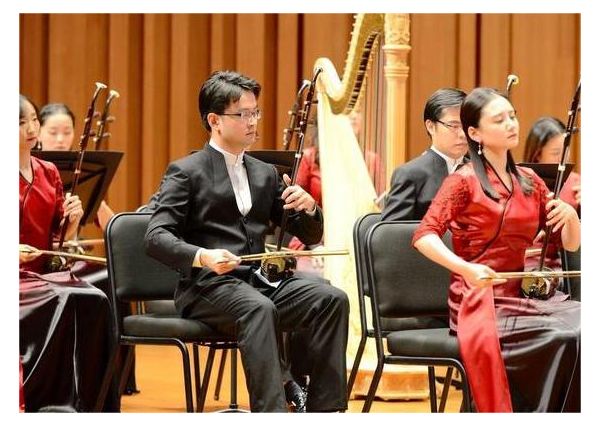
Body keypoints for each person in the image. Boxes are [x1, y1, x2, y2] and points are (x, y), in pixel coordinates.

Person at [144, 70, 349, 412]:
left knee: (331, 299)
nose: (253, 121)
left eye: (256, 112)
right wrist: (203, 256)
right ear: (214, 120)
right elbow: (155, 237)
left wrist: (310, 208)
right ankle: (272, 412)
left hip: (258, 283)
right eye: (243, 114)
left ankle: (324, 411)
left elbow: (310, 235)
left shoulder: (264, 172)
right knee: (258, 309)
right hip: (207, 287)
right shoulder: (186, 171)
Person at [413, 87, 581, 412]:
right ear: (474, 133)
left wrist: (571, 216)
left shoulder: (530, 180)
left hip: (521, 296)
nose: (511, 124)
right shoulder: (463, 181)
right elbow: (424, 235)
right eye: (499, 119)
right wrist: (466, 268)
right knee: (567, 334)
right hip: (479, 300)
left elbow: (571, 243)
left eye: (512, 116)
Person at [19, 95, 117, 412]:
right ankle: (50, 403)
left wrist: (71, 222)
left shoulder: (48, 171)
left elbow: (57, 243)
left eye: (33, 120)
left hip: (44, 273)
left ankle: (94, 403)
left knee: (96, 298)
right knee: (64, 297)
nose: (31, 128)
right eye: (20, 123)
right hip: (16, 279)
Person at [382, 88, 467, 221]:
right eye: (453, 126)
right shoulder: (410, 174)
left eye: (466, 125)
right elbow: (393, 231)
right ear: (431, 126)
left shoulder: (482, 171)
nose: (463, 134)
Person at [38, 103, 115, 229]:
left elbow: (114, 229)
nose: (60, 139)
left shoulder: (81, 168)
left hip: (70, 240)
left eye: (67, 132)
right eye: (53, 132)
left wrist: (96, 201)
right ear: (38, 133)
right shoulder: (28, 167)